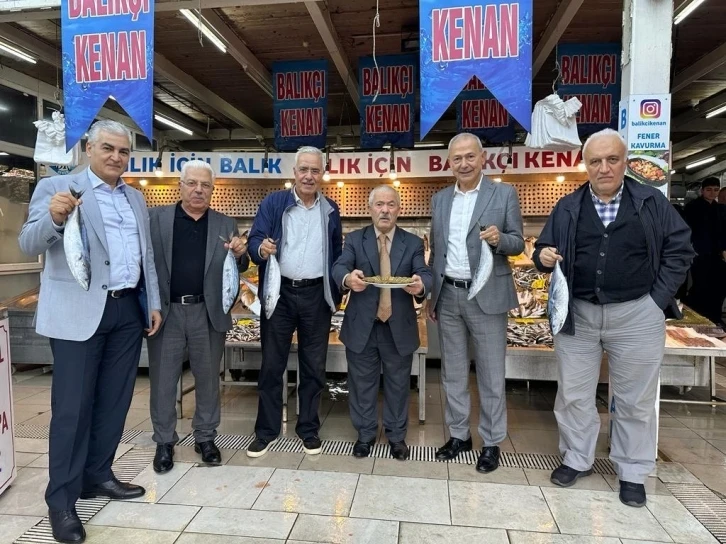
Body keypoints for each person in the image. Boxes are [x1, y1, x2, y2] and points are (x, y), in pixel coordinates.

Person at [533, 128, 694, 508]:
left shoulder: (651, 202)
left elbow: (680, 250)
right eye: (595, 161)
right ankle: (577, 458)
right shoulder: (568, 206)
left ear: (625, 162)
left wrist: (656, 301)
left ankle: (633, 470)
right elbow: (542, 249)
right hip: (578, 315)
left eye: (612, 159)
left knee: (635, 399)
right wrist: (543, 256)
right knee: (574, 394)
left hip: (637, 313)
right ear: (585, 165)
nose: (603, 168)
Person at [18, 120, 162, 544]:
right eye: (108, 148)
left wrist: (152, 301)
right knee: (72, 409)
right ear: (88, 148)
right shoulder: (57, 188)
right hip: (78, 313)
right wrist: (55, 218)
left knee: (114, 402)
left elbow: (145, 255)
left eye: (123, 151)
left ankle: (98, 475)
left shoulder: (135, 197)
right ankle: (61, 501)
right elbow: (28, 243)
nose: (116, 156)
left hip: (126, 311)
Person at [428, 132, 524, 473]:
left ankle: (492, 441)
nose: (464, 163)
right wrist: (432, 297)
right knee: (452, 372)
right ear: (449, 163)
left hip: (487, 293)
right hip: (448, 295)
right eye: (457, 158)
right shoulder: (440, 199)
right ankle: (459, 435)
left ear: (483, 158)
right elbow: (436, 251)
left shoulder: (503, 193)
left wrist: (500, 240)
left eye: (470, 156)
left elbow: (518, 243)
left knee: (491, 373)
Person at [147, 160, 249, 473]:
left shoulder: (224, 223)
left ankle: (205, 437)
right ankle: (164, 441)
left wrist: (240, 254)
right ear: (180, 185)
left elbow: (238, 267)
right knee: (163, 381)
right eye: (192, 183)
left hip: (208, 312)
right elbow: (144, 262)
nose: (198, 190)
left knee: (207, 380)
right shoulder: (157, 218)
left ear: (212, 190)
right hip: (167, 312)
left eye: (205, 185)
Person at [246, 146, 342, 457]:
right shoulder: (274, 203)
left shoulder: (331, 210)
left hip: (316, 296)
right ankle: (266, 431)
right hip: (280, 293)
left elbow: (337, 255)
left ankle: (308, 429)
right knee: (272, 365)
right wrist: (261, 250)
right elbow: (254, 240)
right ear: (294, 172)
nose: (309, 176)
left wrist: (335, 293)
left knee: (314, 366)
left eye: (315, 170)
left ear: (323, 173)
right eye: (304, 169)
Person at [332, 186, 432, 460]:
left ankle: (396, 436)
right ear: (370, 209)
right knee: (361, 384)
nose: (385, 210)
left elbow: (424, 272)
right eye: (379, 204)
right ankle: (365, 434)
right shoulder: (355, 239)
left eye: (390, 204)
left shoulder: (412, 243)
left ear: (399, 209)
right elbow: (340, 266)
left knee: (398, 384)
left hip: (398, 326)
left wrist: (421, 285)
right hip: (362, 325)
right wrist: (347, 279)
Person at [683, 176, 726, 326]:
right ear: (702, 191)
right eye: (709, 190)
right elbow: (687, 230)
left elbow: (722, 232)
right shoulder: (692, 207)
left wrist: (723, 250)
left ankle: (714, 319)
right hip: (699, 254)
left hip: (717, 255)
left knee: (718, 288)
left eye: (715, 190)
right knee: (701, 287)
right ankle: (699, 318)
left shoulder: (720, 209)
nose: (712, 193)